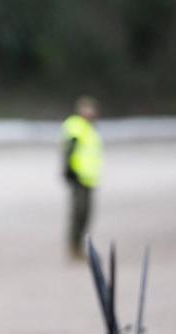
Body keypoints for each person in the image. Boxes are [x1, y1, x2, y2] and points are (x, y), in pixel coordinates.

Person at [62, 96, 102, 260]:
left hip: (89, 179)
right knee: (78, 214)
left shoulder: (90, 129)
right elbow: (69, 150)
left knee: (86, 215)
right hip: (78, 178)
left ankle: (80, 247)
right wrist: (68, 170)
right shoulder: (76, 126)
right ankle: (74, 248)